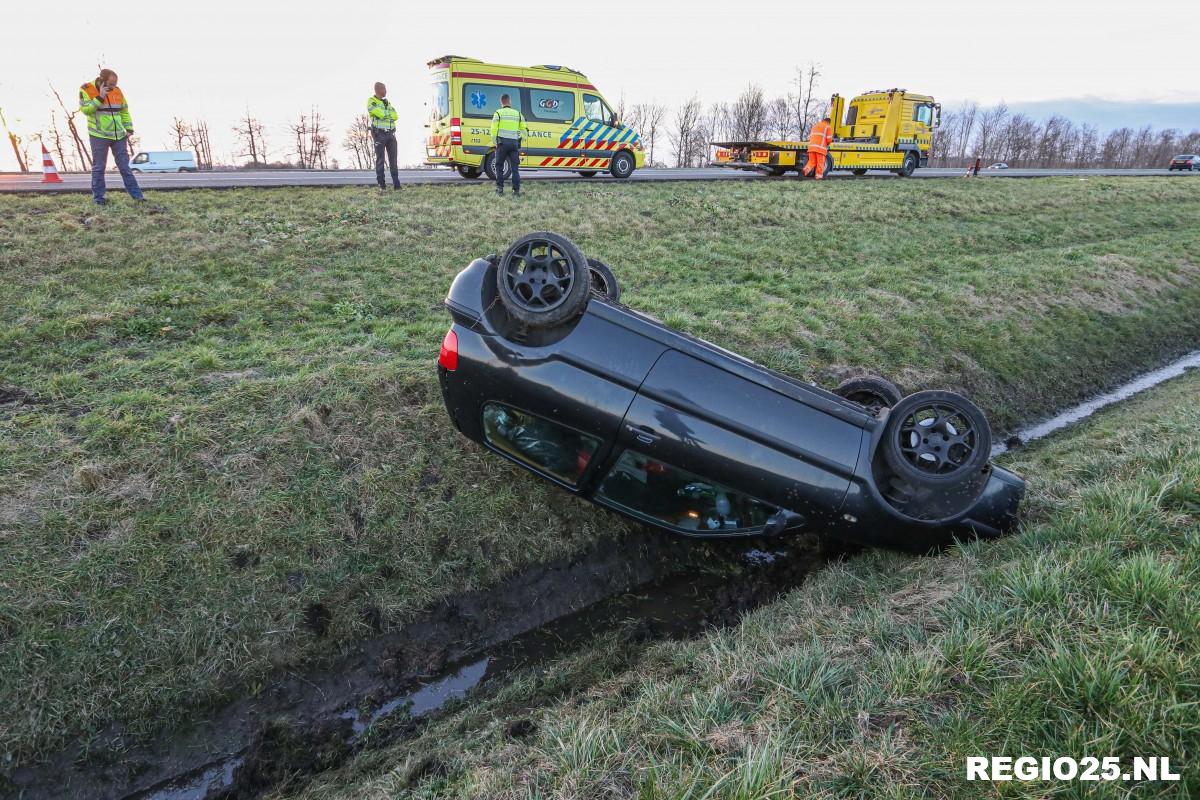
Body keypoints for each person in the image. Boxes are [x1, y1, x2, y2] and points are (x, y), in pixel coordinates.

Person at [79, 68, 144, 205]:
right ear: (102, 80)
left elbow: (124, 110)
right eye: (111, 84)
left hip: (119, 136)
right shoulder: (86, 89)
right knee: (99, 167)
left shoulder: (117, 91)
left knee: (125, 167)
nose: (114, 86)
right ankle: (99, 199)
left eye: (115, 83)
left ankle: (138, 197)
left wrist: (129, 128)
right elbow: (86, 110)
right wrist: (100, 97)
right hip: (99, 135)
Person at [489, 94, 527, 197]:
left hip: (502, 144)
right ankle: (516, 191)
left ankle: (500, 189)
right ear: (510, 101)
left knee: (499, 166)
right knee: (515, 168)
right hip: (514, 144)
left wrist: (495, 142)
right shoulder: (518, 114)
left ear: (501, 102)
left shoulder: (498, 113)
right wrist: (520, 141)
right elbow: (524, 130)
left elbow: (493, 130)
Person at [367, 82, 400, 190]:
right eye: (384, 89)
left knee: (393, 161)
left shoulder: (387, 103)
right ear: (378, 89)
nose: (386, 91)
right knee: (380, 160)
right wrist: (387, 114)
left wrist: (385, 114)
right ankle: (382, 186)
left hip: (391, 134)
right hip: (379, 134)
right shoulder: (371, 101)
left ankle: (397, 186)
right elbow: (380, 114)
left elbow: (395, 116)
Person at [801, 115, 834, 181]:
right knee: (820, 163)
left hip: (811, 147)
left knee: (812, 161)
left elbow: (810, 137)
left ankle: (805, 170)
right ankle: (818, 177)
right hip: (820, 149)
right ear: (828, 122)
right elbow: (829, 139)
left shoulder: (815, 126)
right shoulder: (827, 126)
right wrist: (827, 144)